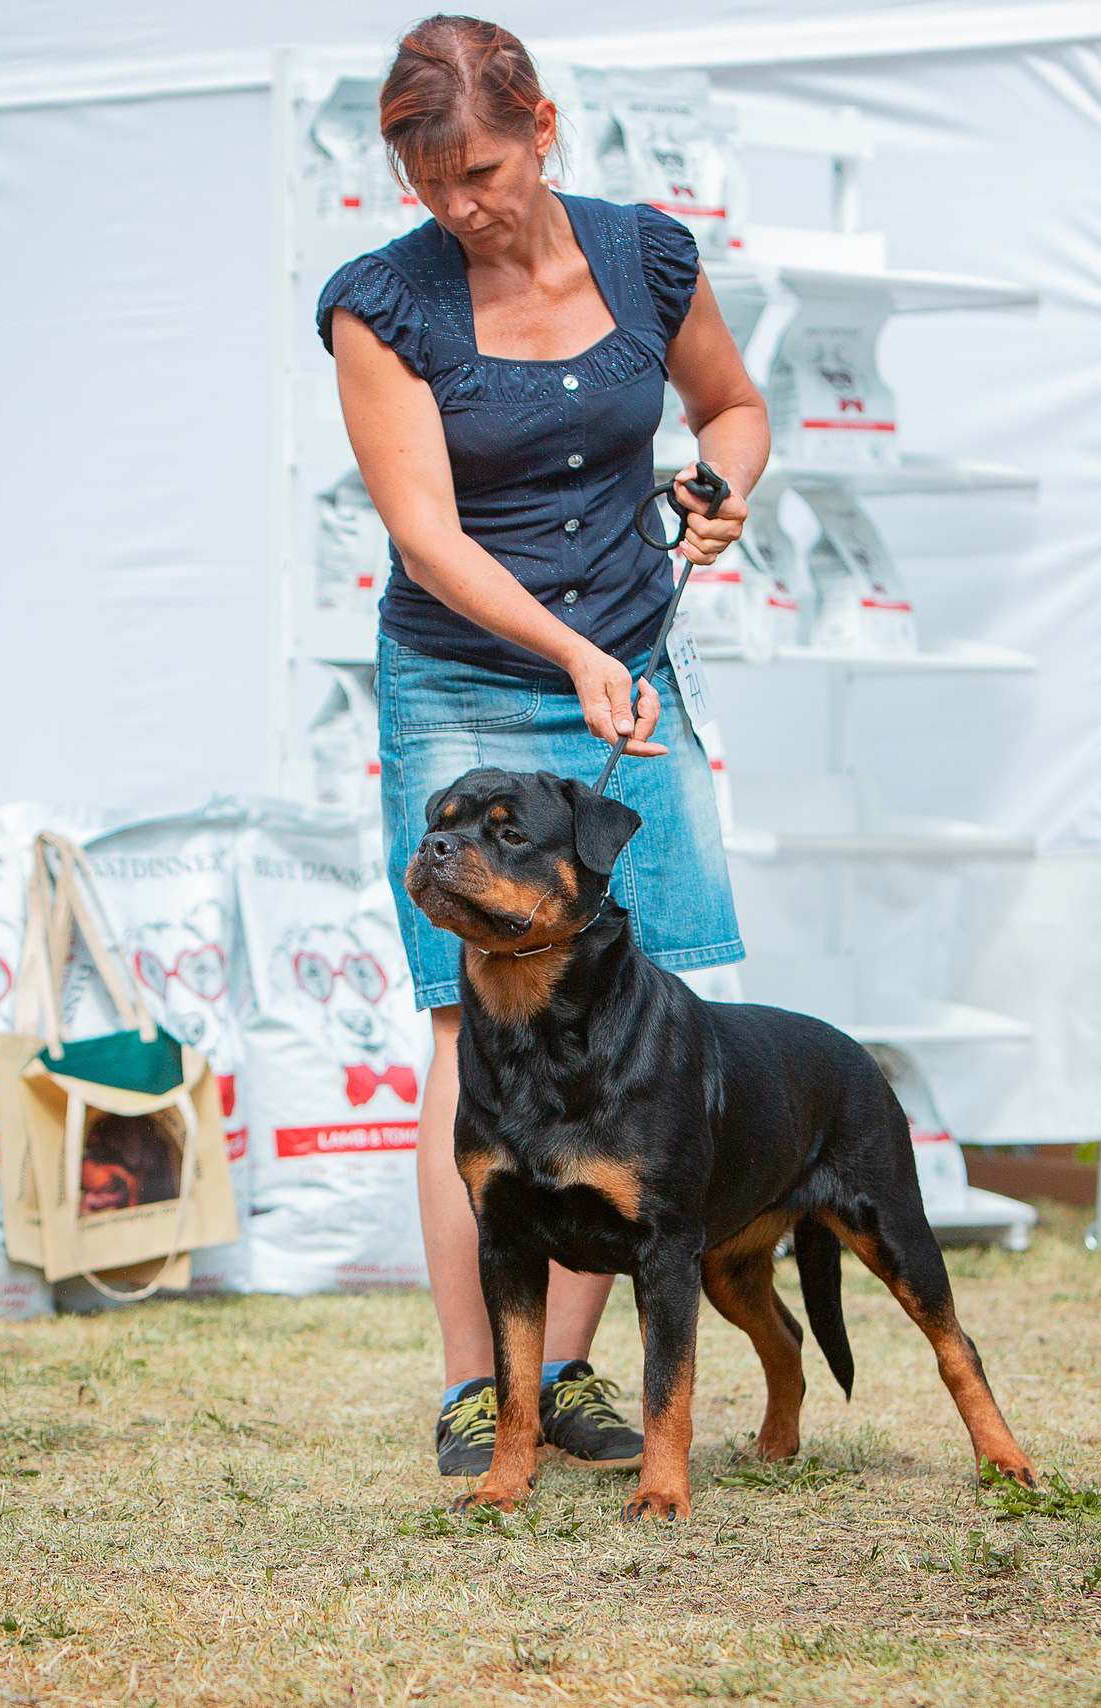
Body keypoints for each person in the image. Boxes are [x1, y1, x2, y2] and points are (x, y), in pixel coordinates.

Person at [317, 15, 770, 1474]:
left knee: (643, 1014)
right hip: (466, 681)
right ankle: (477, 1388)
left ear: (544, 127)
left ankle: (562, 1376)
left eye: (484, 171)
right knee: (471, 1021)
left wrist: (722, 485)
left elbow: (734, 407)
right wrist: (573, 656)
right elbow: (427, 538)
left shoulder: (648, 257)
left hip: (626, 677)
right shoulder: (381, 304)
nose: (460, 205)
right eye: (428, 180)